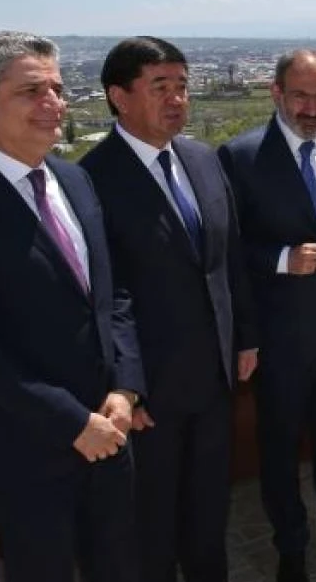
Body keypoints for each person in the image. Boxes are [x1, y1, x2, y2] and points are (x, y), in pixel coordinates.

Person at [0, 31, 144, 582]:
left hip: (111, 431)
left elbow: (112, 295)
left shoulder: (76, 179)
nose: (53, 103)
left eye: (57, 89)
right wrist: (73, 422)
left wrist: (126, 388)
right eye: (32, 90)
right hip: (27, 453)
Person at [78, 36, 259, 582]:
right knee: (152, 525)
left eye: (182, 86)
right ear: (119, 96)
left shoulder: (203, 159)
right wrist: (126, 386)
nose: (177, 98)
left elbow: (229, 257)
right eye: (160, 87)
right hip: (148, 395)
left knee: (209, 513)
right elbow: (102, 296)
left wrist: (245, 337)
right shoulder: (91, 180)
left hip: (215, 378)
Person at [217, 50, 316, 582]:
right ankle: (290, 546)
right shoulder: (239, 156)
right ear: (276, 94)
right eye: (300, 96)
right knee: (280, 449)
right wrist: (283, 259)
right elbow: (226, 249)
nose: (312, 108)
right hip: (278, 339)